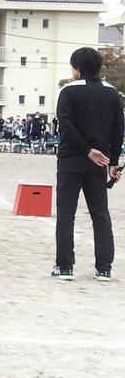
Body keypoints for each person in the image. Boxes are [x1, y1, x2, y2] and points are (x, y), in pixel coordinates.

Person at [52, 47, 123, 282]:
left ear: (77, 67)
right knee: (100, 214)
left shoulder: (68, 91)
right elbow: (118, 129)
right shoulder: (112, 93)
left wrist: (86, 150)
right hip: (100, 162)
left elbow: (66, 125)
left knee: (66, 214)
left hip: (71, 159)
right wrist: (113, 162)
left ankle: (65, 266)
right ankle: (104, 268)